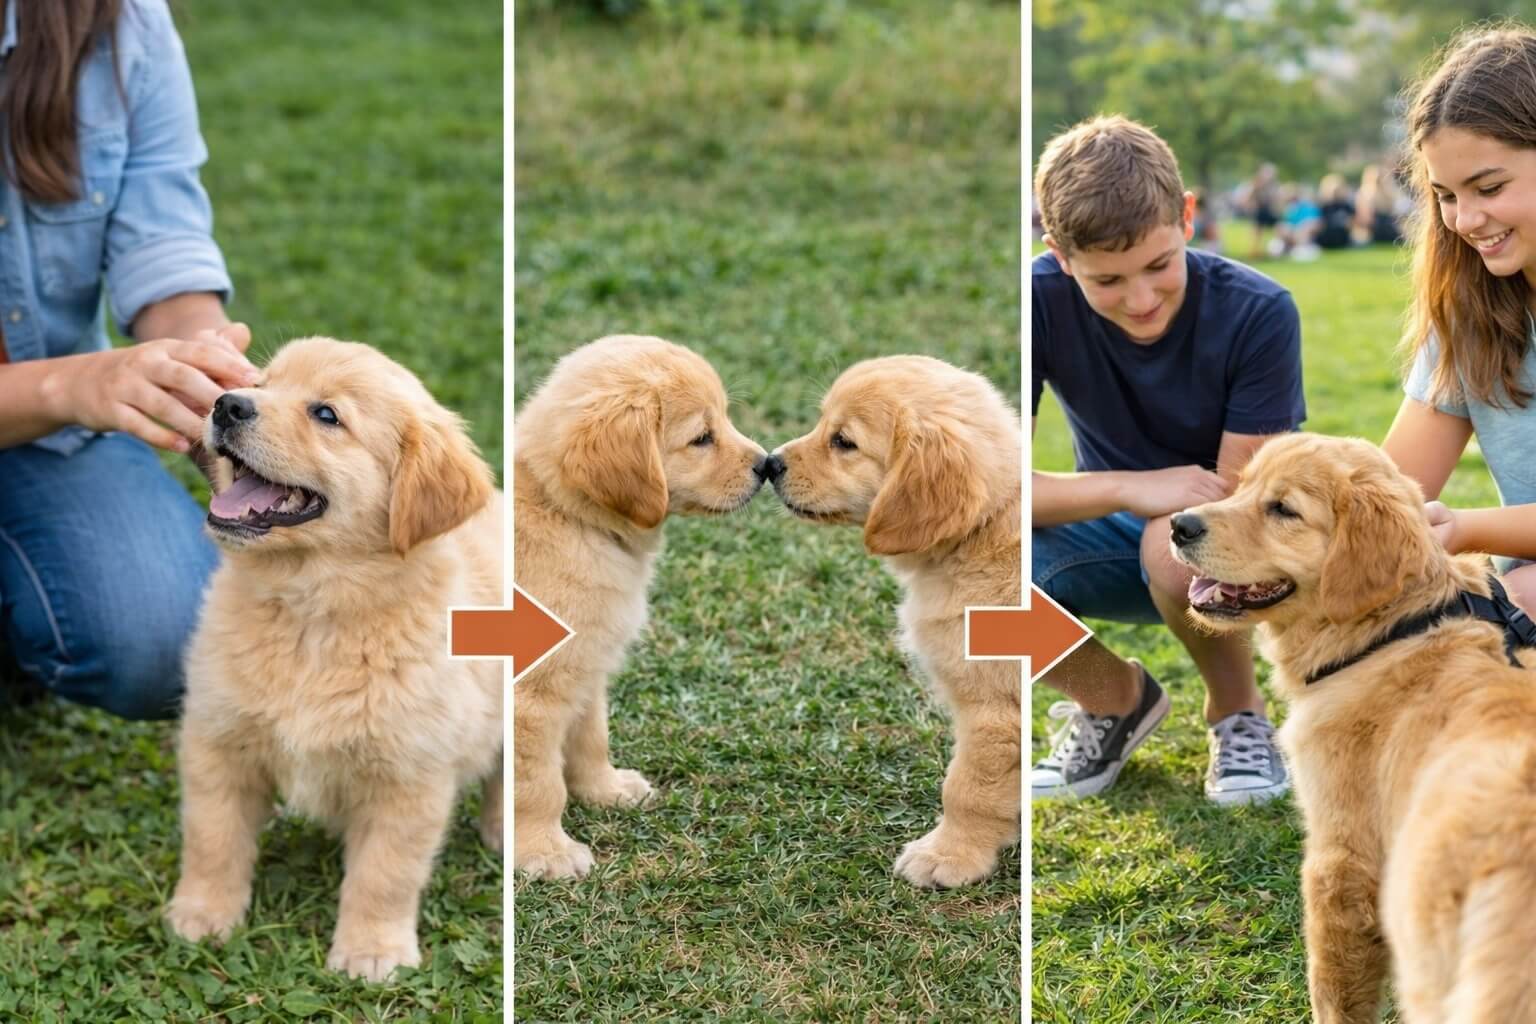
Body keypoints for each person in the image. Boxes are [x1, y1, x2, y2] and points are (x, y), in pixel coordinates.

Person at [1031, 115, 1305, 804]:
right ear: (1059, 254)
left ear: (1187, 218)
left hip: (1232, 546)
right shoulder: (1034, 302)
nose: (1141, 299)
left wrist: (1169, 504)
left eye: (1158, 266)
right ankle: (1112, 699)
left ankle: (1239, 715)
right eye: (1107, 281)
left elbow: (1242, 506)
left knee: (1171, 544)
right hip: (1105, 525)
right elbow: (988, 493)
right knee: (966, 584)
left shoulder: (1260, 311)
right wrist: (1130, 487)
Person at [0, 0, 257, 720]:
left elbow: (164, 249)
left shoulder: (122, 22)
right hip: (61, 395)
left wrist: (209, 375)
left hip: (45, 430)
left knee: (168, 637)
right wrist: (72, 382)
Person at [1381, 24, 1536, 617]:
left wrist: (1466, 529)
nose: (1464, 220)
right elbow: (1397, 490)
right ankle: (1113, 694)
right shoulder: (1473, 313)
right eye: (1445, 196)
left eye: (1488, 187)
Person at [1354, 163, 1407, 245]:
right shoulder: (1365, 193)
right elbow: (1366, 217)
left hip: (1388, 222)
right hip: (1375, 225)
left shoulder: (1388, 193)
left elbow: (1394, 210)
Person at [1315, 173, 1356, 251]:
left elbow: (1352, 222)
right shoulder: (1323, 206)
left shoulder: (1346, 206)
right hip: (1326, 239)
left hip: (1343, 239)